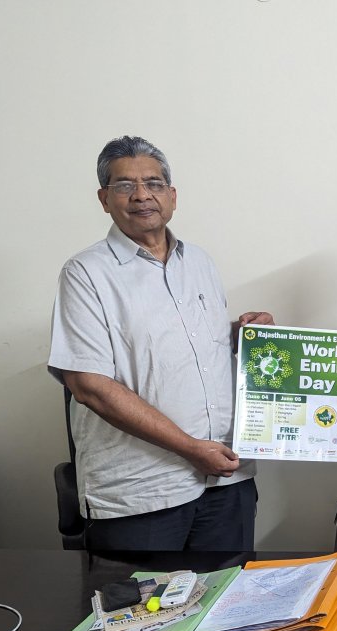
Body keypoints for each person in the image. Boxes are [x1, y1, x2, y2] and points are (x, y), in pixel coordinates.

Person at [48, 135, 273, 551]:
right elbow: (89, 385)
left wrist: (247, 335)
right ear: (104, 199)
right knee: (141, 597)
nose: (141, 195)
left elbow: (188, 344)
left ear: (172, 196)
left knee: (229, 592)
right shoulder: (86, 273)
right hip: (142, 493)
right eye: (124, 185)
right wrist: (191, 449)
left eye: (153, 183)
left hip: (226, 480)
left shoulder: (200, 262)